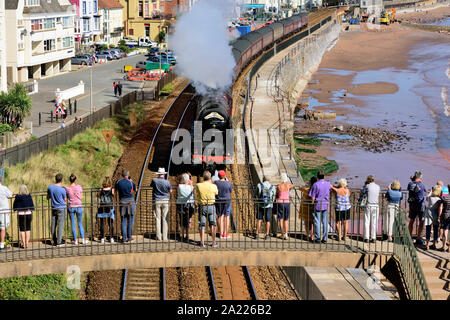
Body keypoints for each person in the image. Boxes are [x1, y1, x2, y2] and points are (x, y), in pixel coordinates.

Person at [195, 170, 219, 248]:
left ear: (203, 177)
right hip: (211, 206)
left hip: (202, 206)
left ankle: (202, 242)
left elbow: (197, 193)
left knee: (202, 224)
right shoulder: (214, 186)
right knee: (212, 224)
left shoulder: (198, 185)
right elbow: (216, 193)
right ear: (210, 178)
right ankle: (213, 242)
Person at [150, 168, 172, 241]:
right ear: (164, 174)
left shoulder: (154, 180)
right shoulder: (167, 182)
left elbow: (151, 186)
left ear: (158, 174)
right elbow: (170, 191)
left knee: (158, 218)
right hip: (166, 200)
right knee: (165, 219)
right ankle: (165, 237)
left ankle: (159, 237)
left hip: (157, 200)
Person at [309, 172, 331, 243]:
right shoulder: (328, 184)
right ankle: (325, 238)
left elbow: (313, 196)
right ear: (324, 176)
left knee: (317, 222)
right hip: (325, 204)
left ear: (317, 176)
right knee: (325, 222)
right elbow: (331, 191)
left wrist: (312, 204)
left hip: (317, 204)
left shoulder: (315, 185)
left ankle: (318, 238)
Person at [115, 169, 137, 243]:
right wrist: (132, 181)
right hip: (130, 202)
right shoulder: (130, 182)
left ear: (122, 175)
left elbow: (115, 189)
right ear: (128, 174)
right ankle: (129, 237)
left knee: (123, 220)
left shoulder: (118, 182)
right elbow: (135, 189)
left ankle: (124, 238)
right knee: (130, 220)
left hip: (122, 202)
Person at [66, 174, 88, 245]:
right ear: (75, 180)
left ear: (70, 180)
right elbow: (81, 195)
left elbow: (67, 197)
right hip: (78, 206)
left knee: (73, 223)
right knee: (80, 223)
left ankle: (75, 240)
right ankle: (83, 239)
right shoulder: (79, 187)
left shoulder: (67, 188)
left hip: (71, 207)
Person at [407, 171, 427, 245]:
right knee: (421, 222)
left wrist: (412, 180)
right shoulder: (422, 185)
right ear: (420, 177)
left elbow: (411, 187)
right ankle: (418, 238)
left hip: (412, 204)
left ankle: (409, 237)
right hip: (420, 205)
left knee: (411, 221)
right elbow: (426, 190)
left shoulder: (410, 184)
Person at [47, 173, 67, 247]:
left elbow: (47, 197)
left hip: (53, 207)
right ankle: (59, 241)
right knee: (60, 224)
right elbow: (65, 199)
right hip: (61, 208)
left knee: (53, 224)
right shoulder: (62, 189)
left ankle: (54, 239)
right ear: (61, 180)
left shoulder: (50, 187)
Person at [13, 185, 34, 249]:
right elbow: (32, 205)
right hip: (28, 213)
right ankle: (27, 243)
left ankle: (24, 244)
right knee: (28, 229)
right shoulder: (29, 196)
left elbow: (15, 206)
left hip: (20, 214)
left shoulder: (17, 197)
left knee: (22, 229)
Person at [361, 175, 380, 243]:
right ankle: (373, 237)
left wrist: (365, 185)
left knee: (367, 221)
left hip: (369, 205)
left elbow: (362, 192)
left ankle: (366, 237)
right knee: (374, 222)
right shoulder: (378, 187)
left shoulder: (367, 186)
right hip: (376, 205)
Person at [176, 173, 194, 243]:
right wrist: (191, 183)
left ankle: (182, 235)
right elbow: (192, 189)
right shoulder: (190, 187)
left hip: (180, 205)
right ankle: (187, 235)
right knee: (187, 220)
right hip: (188, 205)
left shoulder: (179, 186)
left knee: (182, 220)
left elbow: (178, 189)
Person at [214, 170, 232, 239]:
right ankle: (226, 233)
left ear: (218, 176)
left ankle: (221, 234)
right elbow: (230, 190)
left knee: (220, 216)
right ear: (224, 176)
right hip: (227, 201)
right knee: (227, 216)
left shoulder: (216, 183)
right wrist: (226, 180)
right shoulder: (228, 183)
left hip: (219, 201)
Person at [276, 173, 294, 240]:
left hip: (280, 202)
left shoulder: (279, 186)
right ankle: (286, 234)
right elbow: (293, 185)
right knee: (286, 219)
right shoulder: (288, 185)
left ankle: (282, 234)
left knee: (280, 219)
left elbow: (277, 194)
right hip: (287, 202)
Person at [97, 177, 115, 244]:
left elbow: (98, 196)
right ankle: (111, 238)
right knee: (111, 223)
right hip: (110, 207)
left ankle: (102, 238)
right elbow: (113, 196)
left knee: (102, 223)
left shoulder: (101, 190)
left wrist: (100, 190)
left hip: (102, 207)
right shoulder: (112, 189)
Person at [424, 185, 442, 250]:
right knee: (435, 230)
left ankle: (427, 245)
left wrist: (431, 191)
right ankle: (434, 245)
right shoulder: (439, 199)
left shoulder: (430, 198)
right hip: (436, 215)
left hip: (428, 214)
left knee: (428, 229)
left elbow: (427, 197)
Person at [300, 176, 317, 242]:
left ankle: (307, 235)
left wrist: (305, 183)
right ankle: (312, 235)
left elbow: (300, 188)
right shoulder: (315, 189)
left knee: (306, 222)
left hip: (305, 207)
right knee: (312, 223)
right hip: (312, 207)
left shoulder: (306, 189)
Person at [0, 177, 13, 251]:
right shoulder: (4, 188)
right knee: (3, 228)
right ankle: (2, 244)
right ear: (1, 180)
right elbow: (10, 194)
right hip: (3, 211)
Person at [439, 184, 450, 252]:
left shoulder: (445, 197)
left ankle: (443, 247)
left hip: (445, 215)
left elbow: (440, 207)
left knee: (445, 231)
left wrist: (439, 216)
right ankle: (449, 248)